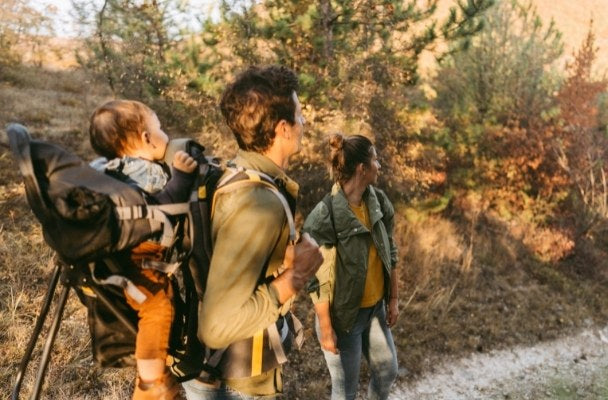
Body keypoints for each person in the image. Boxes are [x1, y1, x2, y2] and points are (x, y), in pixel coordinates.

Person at [182, 65, 323, 399]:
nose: (305, 123)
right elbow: (216, 327)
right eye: (300, 115)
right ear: (283, 129)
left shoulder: (238, 174)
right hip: (234, 383)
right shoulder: (258, 202)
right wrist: (294, 278)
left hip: (222, 375)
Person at [89, 99, 198, 400]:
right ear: (147, 139)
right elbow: (165, 207)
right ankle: (150, 381)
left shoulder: (104, 170)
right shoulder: (145, 172)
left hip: (111, 257)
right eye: (159, 128)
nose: (164, 133)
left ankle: (155, 379)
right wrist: (183, 176)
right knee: (157, 307)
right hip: (140, 257)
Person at [303, 133, 400, 400]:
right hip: (344, 317)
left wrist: (392, 299)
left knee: (388, 371)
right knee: (345, 392)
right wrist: (325, 326)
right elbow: (316, 278)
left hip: (375, 310)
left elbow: (390, 251)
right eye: (376, 160)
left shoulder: (378, 202)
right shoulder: (326, 215)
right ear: (362, 168)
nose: (379, 166)